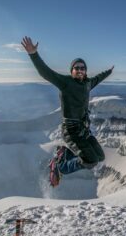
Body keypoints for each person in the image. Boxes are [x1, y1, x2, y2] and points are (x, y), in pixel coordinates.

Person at [21, 36, 114, 186]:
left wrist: (108, 72)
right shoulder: (66, 82)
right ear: (71, 70)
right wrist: (33, 54)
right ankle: (59, 166)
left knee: (100, 157)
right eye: (76, 68)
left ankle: (65, 153)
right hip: (70, 130)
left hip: (84, 129)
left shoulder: (87, 83)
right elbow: (45, 72)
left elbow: (98, 78)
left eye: (82, 68)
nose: (80, 70)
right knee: (91, 161)